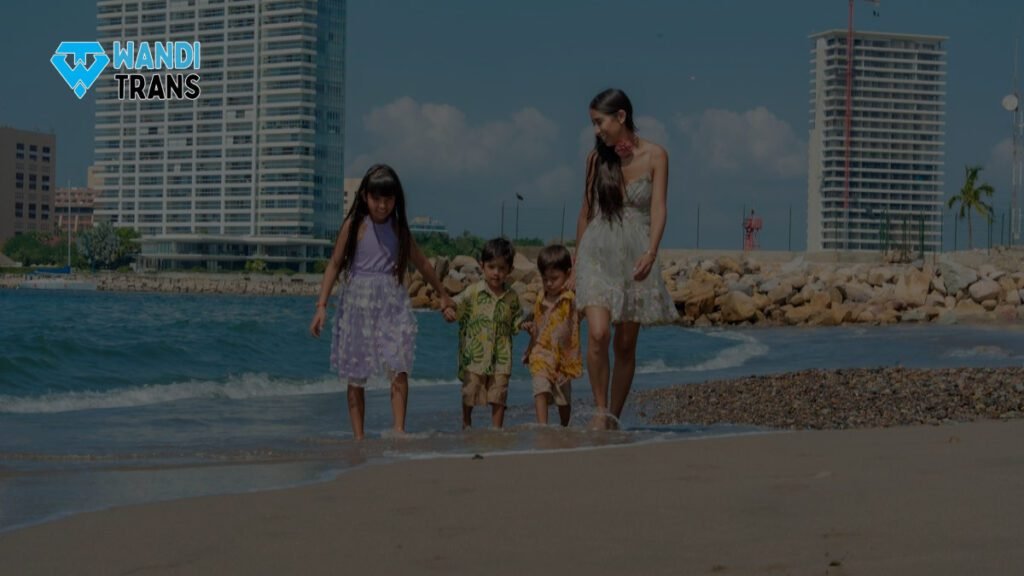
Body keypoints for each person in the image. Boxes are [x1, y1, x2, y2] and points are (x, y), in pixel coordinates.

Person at [309, 164, 456, 440]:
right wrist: (321, 306)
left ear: (395, 199)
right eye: (376, 198)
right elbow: (334, 265)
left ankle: (399, 429)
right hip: (357, 305)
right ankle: (359, 437)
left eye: (388, 199)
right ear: (365, 196)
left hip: (391, 303)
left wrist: (443, 294)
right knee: (356, 373)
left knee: (398, 364)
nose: (382, 205)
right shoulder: (354, 226)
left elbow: (423, 264)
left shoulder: (399, 230)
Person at [572, 88, 679, 429]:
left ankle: (613, 416)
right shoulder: (595, 159)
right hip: (596, 252)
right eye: (592, 123)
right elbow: (586, 212)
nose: (596, 130)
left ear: (621, 116)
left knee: (626, 343)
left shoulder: (656, 155)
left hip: (636, 255)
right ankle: (600, 410)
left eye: (599, 121)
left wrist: (652, 251)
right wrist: (575, 264)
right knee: (598, 333)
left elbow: (659, 207)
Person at [445, 237, 529, 430]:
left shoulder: (512, 297)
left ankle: (497, 429)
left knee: (499, 394)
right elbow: (456, 304)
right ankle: (466, 424)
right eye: (491, 267)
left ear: (510, 269)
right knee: (470, 391)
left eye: (501, 268)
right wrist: (449, 311)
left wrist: (525, 325)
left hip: (502, 357)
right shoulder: (473, 292)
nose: (496, 273)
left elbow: (515, 321)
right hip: (474, 356)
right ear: (482, 266)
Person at [522, 244, 582, 427]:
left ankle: (564, 426)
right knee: (540, 388)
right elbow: (539, 322)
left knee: (563, 400)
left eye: (554, 278)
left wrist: (575, 279)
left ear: (568, 274)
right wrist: (529, 327)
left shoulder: (572, 298)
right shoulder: (541, 298)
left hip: (563, 359)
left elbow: (585, 311)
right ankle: (543, 426)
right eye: (545, 279)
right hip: (541, 352)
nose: (549, 283)